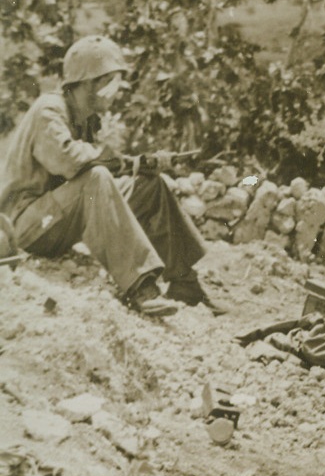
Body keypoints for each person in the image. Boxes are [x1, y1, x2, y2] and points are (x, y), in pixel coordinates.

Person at [0, 35, 219, 316]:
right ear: (89, 82)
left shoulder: (84, 118)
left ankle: (185, 284)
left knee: (150, 185)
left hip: (59, 216)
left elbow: (92, 166)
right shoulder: (49, 109)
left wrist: (140, 165)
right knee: (98, 178)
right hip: (27, 226)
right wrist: (124, 163)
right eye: (111, 83)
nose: (116, 92)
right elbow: (69, 161)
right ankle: (140, 286)